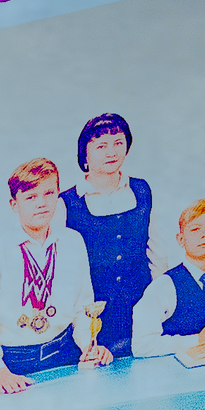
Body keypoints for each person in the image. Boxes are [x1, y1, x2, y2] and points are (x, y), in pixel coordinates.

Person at [0, 157, 111, 393]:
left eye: (48, 193)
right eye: (30, 197)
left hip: (66, 353)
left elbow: (83, 307)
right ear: (14, 204)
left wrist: (89, 346)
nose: (41, 204)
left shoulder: (73, 242)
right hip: (17, 364)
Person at [61, 112, 155, 359]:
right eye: (101, 145)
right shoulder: (67, 203)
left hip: (141, 311)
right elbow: (63, 272)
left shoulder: (142, 189)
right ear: (85, 154)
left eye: (118, 143)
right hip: (93, 322)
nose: (111, 152)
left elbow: (155, 253)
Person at [132, 199, 205, 359]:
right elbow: (141, 346)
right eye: (195, 229)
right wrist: (198, 340)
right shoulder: (164, 286)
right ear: (181, 239)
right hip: (176, 374)